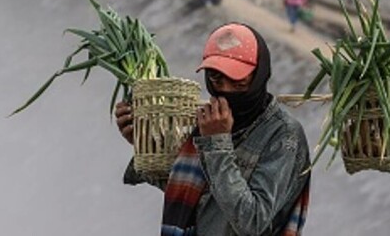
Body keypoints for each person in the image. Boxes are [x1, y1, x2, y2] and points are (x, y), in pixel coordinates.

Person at [114, 23, 311, 235]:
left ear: (260, 74)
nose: (225, 89)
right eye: (217, 78)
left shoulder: (283, 135)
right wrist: (146, 143)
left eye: (239, 81)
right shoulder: (207, 124)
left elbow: (252, 221)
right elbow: (191, 192)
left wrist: (217, 143)